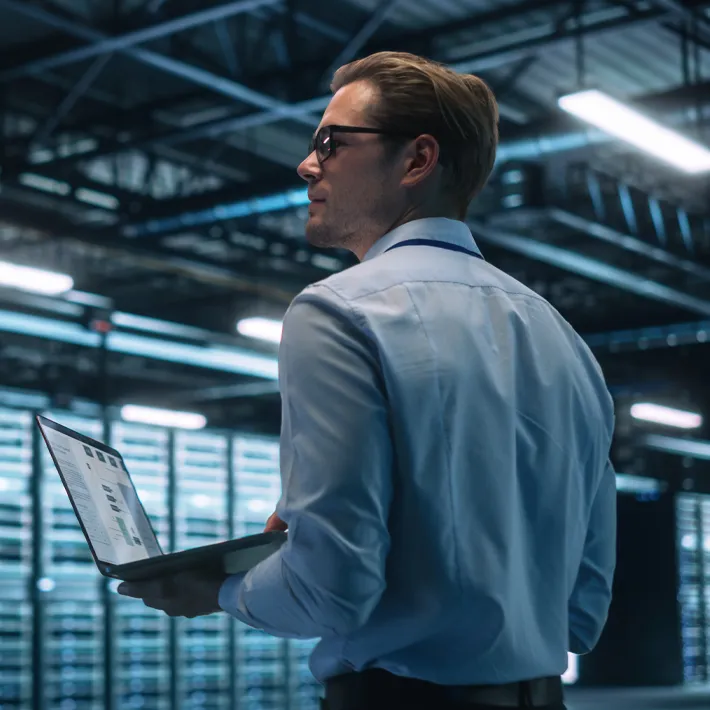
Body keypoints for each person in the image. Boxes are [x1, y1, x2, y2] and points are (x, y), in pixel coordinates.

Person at [118, 51, 617, 710]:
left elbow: (334, 588)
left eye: (331, 141)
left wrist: (217, 589)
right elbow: (584, 608)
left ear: (416, 160)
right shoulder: (564, 339)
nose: (306, 164)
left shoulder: (338, 311)